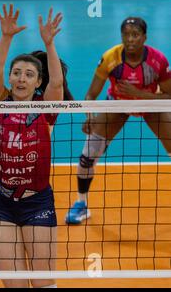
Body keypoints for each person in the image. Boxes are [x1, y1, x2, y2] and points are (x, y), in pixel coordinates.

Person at [0, 4, 64, 288]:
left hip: (37, 201)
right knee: (14, 284)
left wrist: (49, 43)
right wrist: (5, 38)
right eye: (16, 73)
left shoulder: (46, 110)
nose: (21, 78)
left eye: (29, 74)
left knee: (43, 283)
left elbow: (58, 82)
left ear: (38, 82)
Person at [65, 17, 171, 224]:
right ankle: (81, 204)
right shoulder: (110, 58)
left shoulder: (158, 61)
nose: (130, 39)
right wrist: (90, 116)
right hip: (117, 105)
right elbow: (90, 95)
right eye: (126, 35)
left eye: (135, 35)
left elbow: (169, 96)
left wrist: (139, 94)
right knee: (88, 155)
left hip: (150, 105)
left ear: (144, 37)